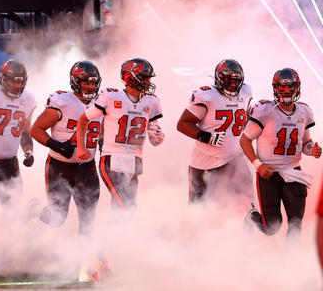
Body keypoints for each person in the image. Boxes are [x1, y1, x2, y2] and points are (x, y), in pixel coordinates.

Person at [30, 60, 102, 281]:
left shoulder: (102, 102)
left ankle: (84, 266)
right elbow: (36, 129)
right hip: (59, 166)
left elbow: (103, 131)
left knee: (88, 219)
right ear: (75, 82)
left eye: (93, 83)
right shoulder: (62, 102)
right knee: (56, 218)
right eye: (85, 83)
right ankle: (34, 209)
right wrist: (55, 144)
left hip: (87, 167)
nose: (90, 88)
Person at [241, 68, 322, 236]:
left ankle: (291, 260)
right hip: (268, 173)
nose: (286, 92)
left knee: (295, 224)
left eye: (290, 88)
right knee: (272, 227)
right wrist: (258, 165)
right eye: (282, 89)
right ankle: (252, 216)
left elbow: (305, 143)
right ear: (275, 89)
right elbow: (245, 140)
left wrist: (311, 149)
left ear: (297, 89)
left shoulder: (304, 111)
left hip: (293, 172)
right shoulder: (265, 110)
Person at [77, 58, 163, 212]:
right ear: (131, 77)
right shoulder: (111, 97)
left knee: (119, 208)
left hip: (135, 160)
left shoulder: (152, 101)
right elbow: (83, 119)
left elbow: (155, 138)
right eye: (145, 78)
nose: (149, 82)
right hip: (113, 159)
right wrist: (81, 147)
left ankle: (114, 235)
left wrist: (157, 136)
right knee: (127, 208)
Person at [176, 59, 253, 204]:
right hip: (205, 161)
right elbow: (183, 124)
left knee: (247, 203)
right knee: (200, 211)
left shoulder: (246, 92)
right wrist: (206, 136)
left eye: (236, 81)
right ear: (218, 78)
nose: (232, 84)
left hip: (233, 158)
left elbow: (245, 118)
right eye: (228, 80)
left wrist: (242, 140)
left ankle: (242, 226)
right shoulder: (207, 96)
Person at [0, 59, 36, 219]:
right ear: (3, 79)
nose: (17, 85)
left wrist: (29, 152)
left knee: (12, 210)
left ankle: (10, 240)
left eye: (20, 82)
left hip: (10, 163)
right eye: (13, 81)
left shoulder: (28, 99)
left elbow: (25, 131)